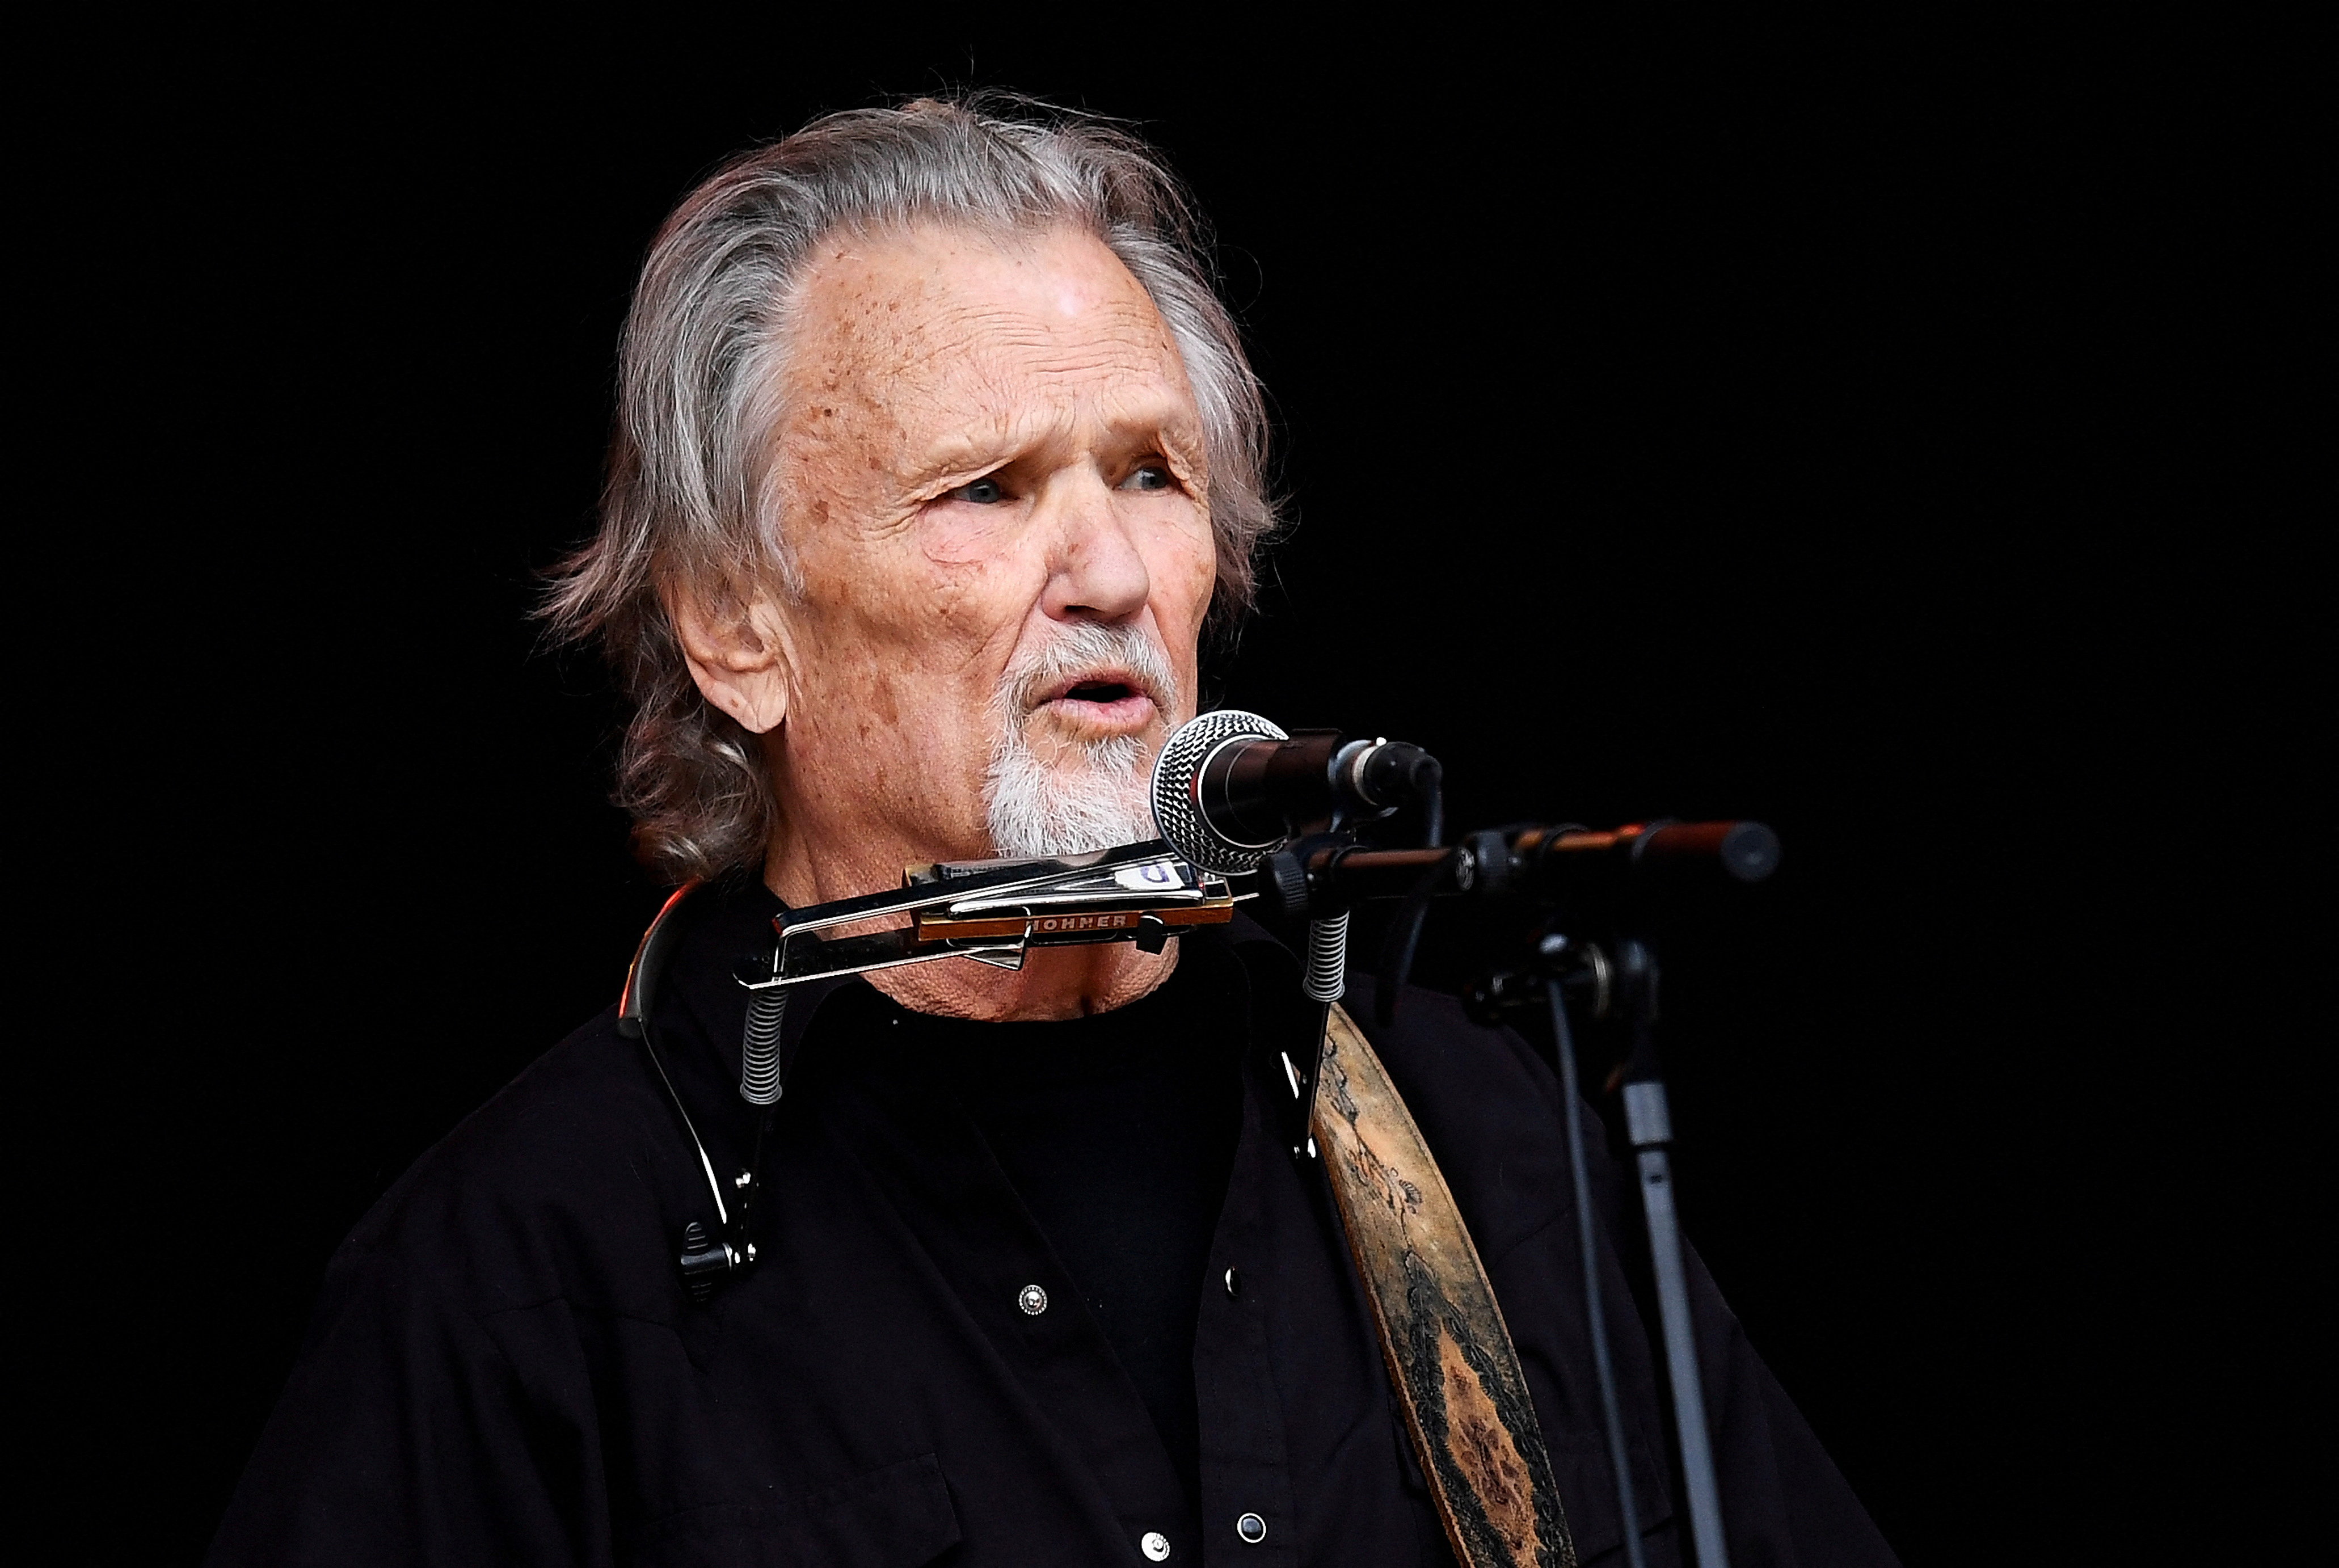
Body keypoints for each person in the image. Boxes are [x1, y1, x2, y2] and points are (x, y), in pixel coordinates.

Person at [210, 96, 1897, 1567]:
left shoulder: (1475, 1136)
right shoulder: (528, 1271)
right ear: (736, 623)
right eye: (986, 491)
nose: (1104, 575)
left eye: (1150, 475)